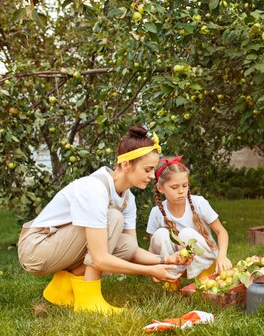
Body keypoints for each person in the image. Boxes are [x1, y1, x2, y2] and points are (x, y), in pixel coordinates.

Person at [17, 125, 190, 315]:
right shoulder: (94, 189)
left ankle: (61, 289)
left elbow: (130, 250)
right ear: (126, 165)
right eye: (148, 169)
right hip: (37, 249)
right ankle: (88, 301)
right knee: (113, 217)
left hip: (60, 246)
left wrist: (164, 260)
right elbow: (100, 259)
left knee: (125, 244)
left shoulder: (127, 198)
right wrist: (150, 271)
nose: (151, 176)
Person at [146, 156, 231, 283]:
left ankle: (203, 275)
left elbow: (221, 232)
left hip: (205, 260)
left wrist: (222, 256)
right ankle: (171, 279)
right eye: (174, 187)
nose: (181, 191)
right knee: (159, 235)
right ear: (160, 188)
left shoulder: (199, 203)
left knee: (187, 234)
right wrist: (151, 268)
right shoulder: (156, 212)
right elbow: (153, 247)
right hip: (178, 262)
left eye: (185, 186)